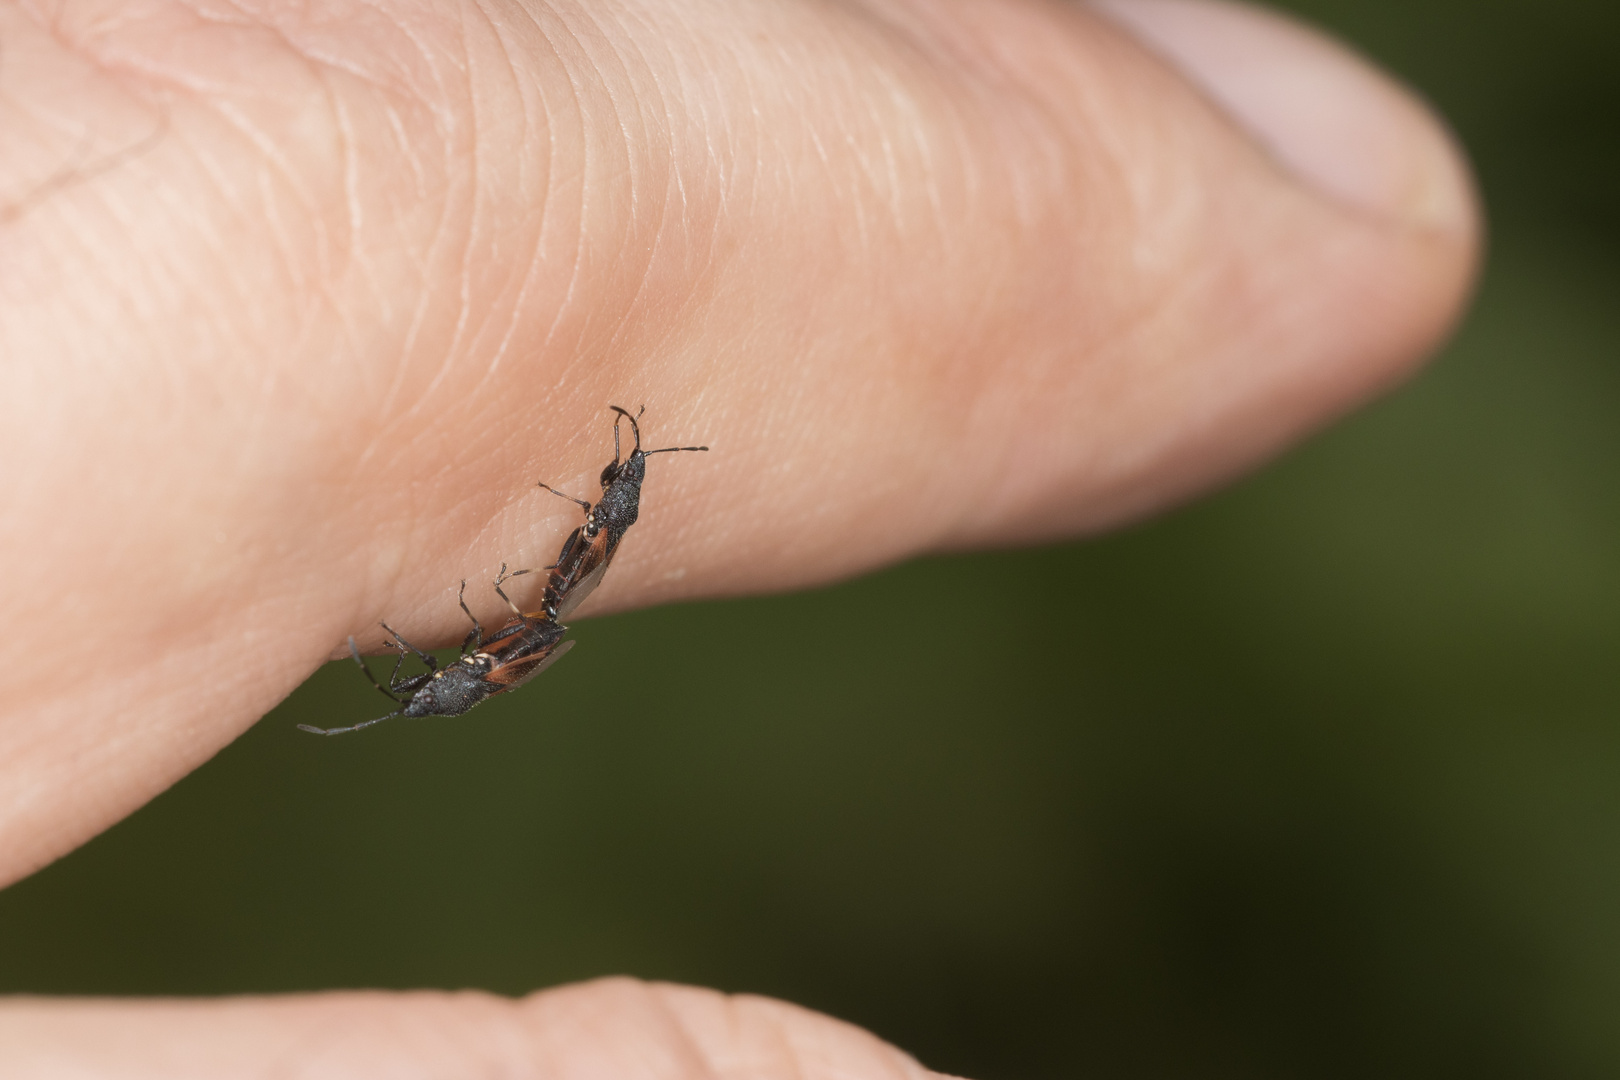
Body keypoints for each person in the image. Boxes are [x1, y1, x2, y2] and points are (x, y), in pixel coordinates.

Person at [0, 0, 1476, 1073]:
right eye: (442, 679)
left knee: (556, 552)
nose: (448, 671)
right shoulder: (507, 646)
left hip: (548, 588)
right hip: (542, 600)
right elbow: (526, 629)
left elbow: (526, 621)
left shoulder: (516, 626)